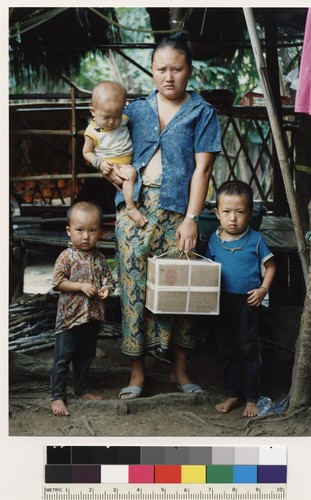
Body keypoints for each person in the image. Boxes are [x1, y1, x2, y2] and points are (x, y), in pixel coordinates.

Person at [98, 32, 221, 399]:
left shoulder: (202, 112)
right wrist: (106, 167)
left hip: (179, 213)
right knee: (133, 287)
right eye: (161, 69)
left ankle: (179, 370)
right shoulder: (133, 109)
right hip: (134, 212)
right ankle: (137, 373)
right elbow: (108, 145)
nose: (169, 76)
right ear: (151, 70)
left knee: (179, 288)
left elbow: (203, 172)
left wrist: (192, 219)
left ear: (189, 70)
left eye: (177, 69)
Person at [205, 180, 276, 417]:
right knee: (226, 349)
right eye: (226, 212)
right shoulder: (214, 240)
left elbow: (271, 266)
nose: (232, 218)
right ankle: (233, 394)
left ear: (250, 212)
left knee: (248, 349)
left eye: (239, 212)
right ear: (217, 213)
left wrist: (263, 290)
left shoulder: (256, 239)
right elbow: (207, 268)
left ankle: (252, 397)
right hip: (222, 302)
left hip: (247, 303)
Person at [51, 201, 114, 416]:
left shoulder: (100, 258)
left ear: (100, 231)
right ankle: (57, 396)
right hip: (69, 319)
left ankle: (82, 388)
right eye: (79, 230)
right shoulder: (66, 257)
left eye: (92, 230)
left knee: (86, 355)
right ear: (69, 231)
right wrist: (80, 286)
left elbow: (108, 281)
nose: (86, 236)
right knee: (63, 358)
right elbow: (57, 282)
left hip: (92, 318)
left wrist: (106, 289)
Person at [83, 81, 148, 227]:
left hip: (125, 163)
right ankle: (131, 208)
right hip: (109, 166)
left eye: (117, 116)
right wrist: (99, 163)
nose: (112, 122)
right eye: (106, 117)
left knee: (132, 175)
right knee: (130, 174)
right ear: (93, 111)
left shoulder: (124, 121)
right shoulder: (92, 131)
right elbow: (86, 152)